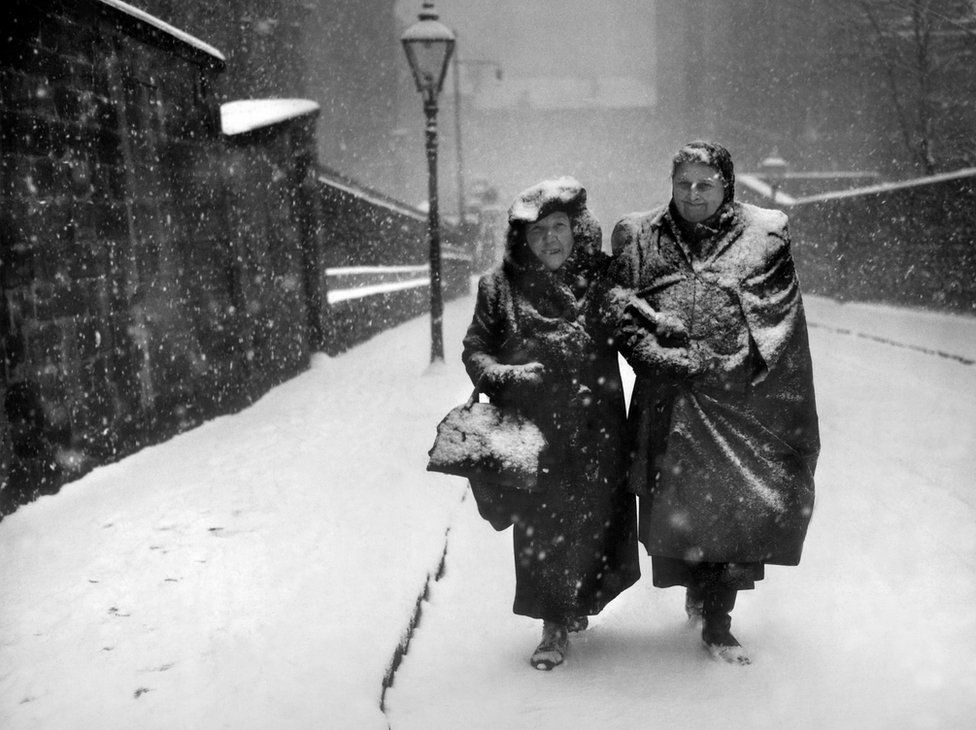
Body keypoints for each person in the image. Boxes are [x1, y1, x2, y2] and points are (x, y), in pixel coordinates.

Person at [603, 140, 820, 665]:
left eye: (705, 184)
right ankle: (697, 595)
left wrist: (720, 368)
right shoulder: (639, 237)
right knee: (677, 511)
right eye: (684, 184)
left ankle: (717, 619)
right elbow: (618, 309)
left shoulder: (764, 235)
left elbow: (778, 322)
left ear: (727, 186)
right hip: (667, 404)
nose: (693, 194)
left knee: (733, 510)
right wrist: (662, 360)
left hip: (737, 404)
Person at [461, 176, 640, 671]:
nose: (549, 240)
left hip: (599, 428)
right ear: (521, 239)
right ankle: (553, 624)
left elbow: (635, 334)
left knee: (598, 524)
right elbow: (476, 348)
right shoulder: (499, 289)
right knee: (543, 530)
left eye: (557, 227)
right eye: (536, 233)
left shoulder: (603, 281)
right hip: (534, 434)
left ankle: (576, 604)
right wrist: (501, 373)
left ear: (576, 229)